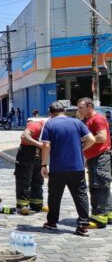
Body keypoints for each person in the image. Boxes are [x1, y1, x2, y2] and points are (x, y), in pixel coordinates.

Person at [41, 101, 95, 236]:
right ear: (64, 111)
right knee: (80, 195)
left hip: (58, 168)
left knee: (54, 195)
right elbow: (92, 139)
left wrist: (43, 164)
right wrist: (81, 150)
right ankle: (83, 225)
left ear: (51, 113)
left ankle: (52, 223)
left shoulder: (50, 124)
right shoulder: (77, 123)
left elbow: (46, 146)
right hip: (77, 167)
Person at [77, 98, 112, 228]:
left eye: (81, 107)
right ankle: (107, 214)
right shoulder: (89, 120)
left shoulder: (98, 119)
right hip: (95, 157)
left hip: (100, 157)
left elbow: (102, 137)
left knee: (98, 186)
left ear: (90, 106)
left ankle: (99, 218)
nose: (79, 110)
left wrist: (85, 142)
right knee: (103, 187)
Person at [15, 117, 45, 213]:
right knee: (23, 179)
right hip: (26, 152)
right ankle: (23, 204)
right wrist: (38, 144)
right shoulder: (36, 125)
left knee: (38, 179)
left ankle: (37, 204)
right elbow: (24, 136)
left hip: (38, 154)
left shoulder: (51, 128)